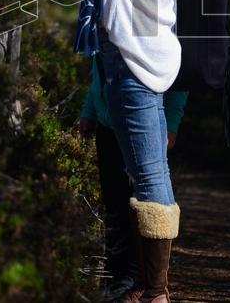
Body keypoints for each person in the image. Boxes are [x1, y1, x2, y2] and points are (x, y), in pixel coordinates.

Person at [25, 0, 209, 303]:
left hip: (131, 68)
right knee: (150, 178)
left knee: (150, 180)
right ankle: (148, 289)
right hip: (144, 60)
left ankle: (155, 293)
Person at [78, 59, 189, 301]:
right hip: (108, 124)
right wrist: (90, 111)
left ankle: (138, 281)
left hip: (138, 123)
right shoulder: (108, 24)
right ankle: (115, 278)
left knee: (139, 202)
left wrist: (171, 121)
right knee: (114, 203)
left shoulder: (149, 23)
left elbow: (177, 75)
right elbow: (100, 70)